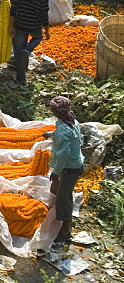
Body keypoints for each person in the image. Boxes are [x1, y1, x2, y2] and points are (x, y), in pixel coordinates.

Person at [46, 96, 83, 244]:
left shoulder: (63, 129)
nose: (51, 111)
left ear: (57, 111)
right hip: (75, 164)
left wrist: (56, 172)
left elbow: (63, 154)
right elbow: (69, 136)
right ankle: (54, 215)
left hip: (69, 168)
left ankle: (65, 230)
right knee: (60, 191)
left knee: (64, 198)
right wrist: (50, 134)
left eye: (53, 109)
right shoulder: (73, 121)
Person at [10, 0, 49, 85]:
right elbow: (44, 17)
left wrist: (11, 26)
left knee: (17, 52)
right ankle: (28, 50)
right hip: (34, 26)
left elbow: (13, 10)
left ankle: (21, 78)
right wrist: (47, 31)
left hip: (20, 25)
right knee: (37, 38)